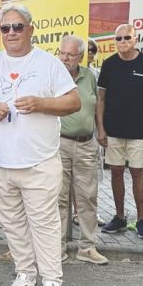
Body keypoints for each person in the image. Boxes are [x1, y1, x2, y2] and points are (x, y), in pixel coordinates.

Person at [0, 3, 80, 286]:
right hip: (1, 161)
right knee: (13, 225)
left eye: (18, 27)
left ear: (30, 29)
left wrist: (42, 103)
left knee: (44, 225)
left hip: (39, 161)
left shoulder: (48, 64)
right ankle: (26, 279)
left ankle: (52, 284)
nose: (12, 33)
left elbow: (73, 101)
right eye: (6, 28)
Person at [96, 24, 143, 239]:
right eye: (119, 38)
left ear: (135, 39)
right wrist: (101, 129)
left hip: (138, 131)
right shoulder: (109, 64)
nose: (123, 41)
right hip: (113, 131)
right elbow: (101, 99)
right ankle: (120, 217)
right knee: (115, 172)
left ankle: (141, 220)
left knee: (137, 173)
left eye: (127, 38)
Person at [56, 35, 108, 265]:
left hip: (87, 143)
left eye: (70, 54)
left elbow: (96, 104)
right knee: (59, 197)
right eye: (62, 53)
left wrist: (101, 131)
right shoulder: (52, 76)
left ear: (80, 56)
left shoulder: (89, 76)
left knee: (88, 197)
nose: (65, 58)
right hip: (59, 144)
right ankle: (57, 248)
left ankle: (87, 247)